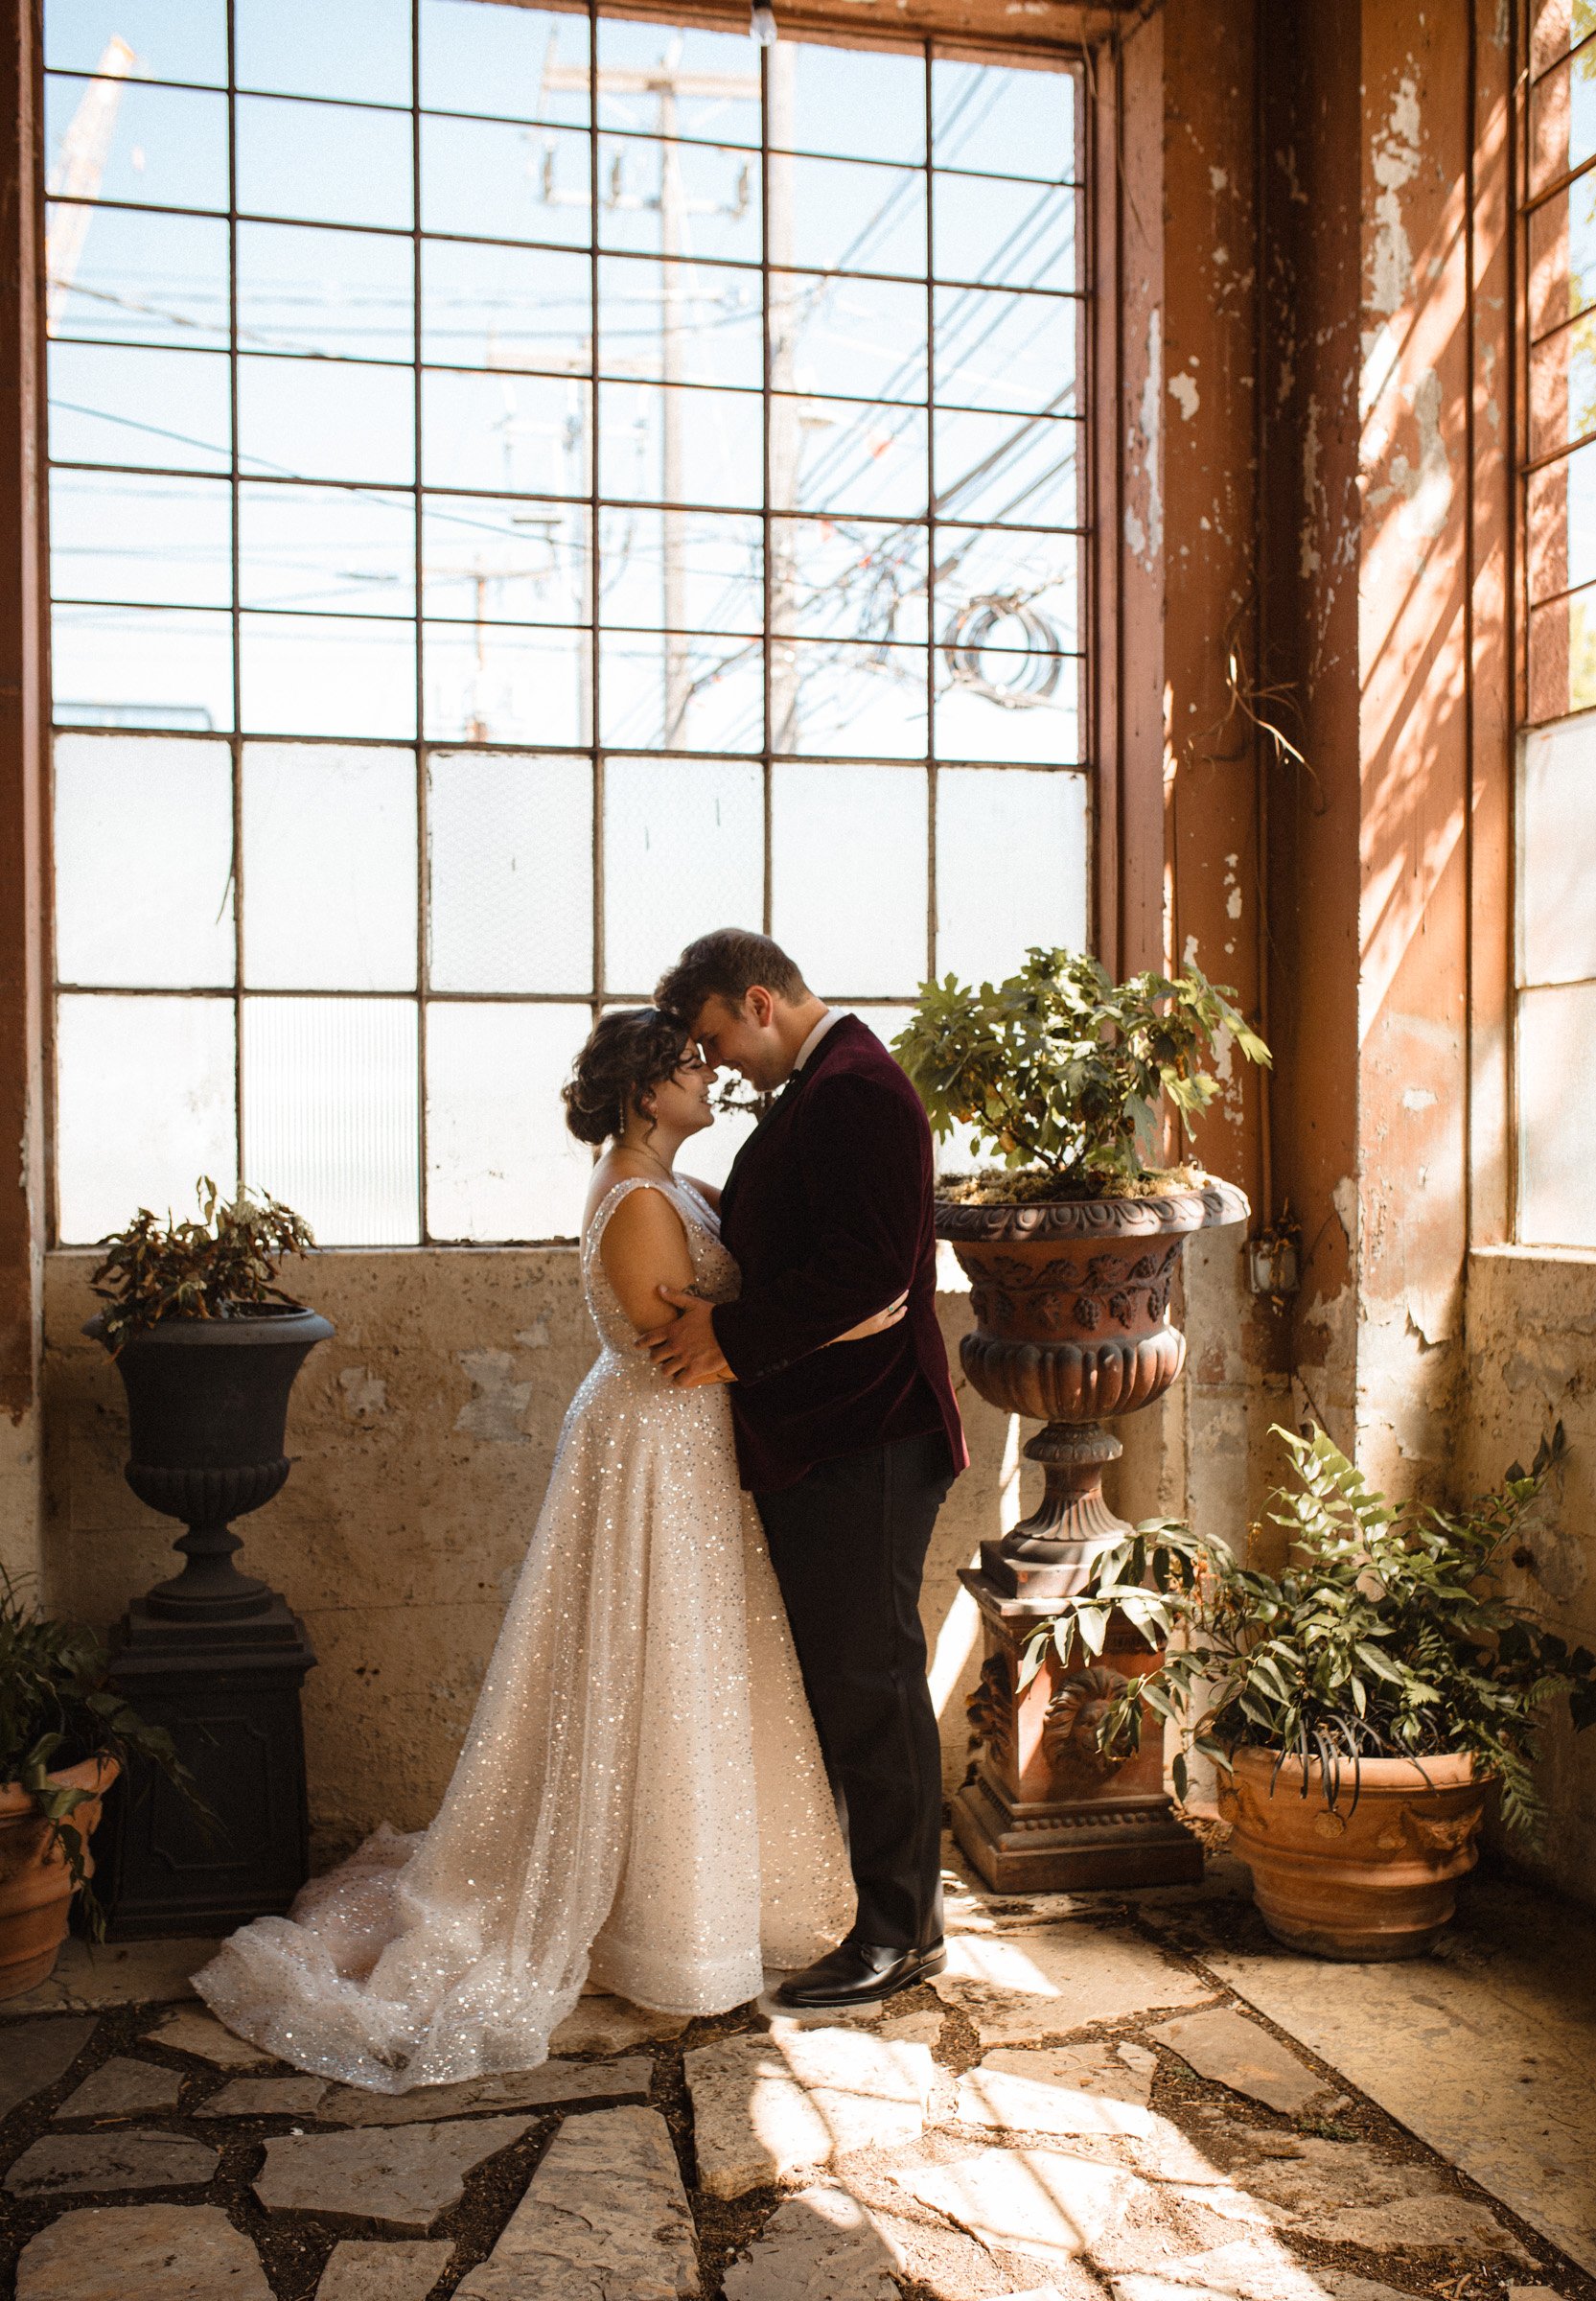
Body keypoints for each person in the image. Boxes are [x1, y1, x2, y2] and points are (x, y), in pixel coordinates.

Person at [190, 1007, 895, 2091]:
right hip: (656, 1443)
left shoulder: (667, 1187)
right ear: (642, 1094)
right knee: (644, 1665)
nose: (708, 1077)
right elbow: (684, 1347)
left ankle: (691, 1896)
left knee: (683, 1669)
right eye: (687, 1067)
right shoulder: (636, 1199)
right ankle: (643, 1919)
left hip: (679, 1450)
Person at [647, 929, 967, 2010]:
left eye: (715, 1037)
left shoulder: (858, 1089)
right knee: (850, 1681)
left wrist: (730, 1339)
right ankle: (895, 1914)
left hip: (868, 1437)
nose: (719, 1063)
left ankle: (900, 1932)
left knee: (870, 1682)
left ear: (759, 1001)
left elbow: (872, 1274)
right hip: (830, 1435)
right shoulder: (817, 1088)